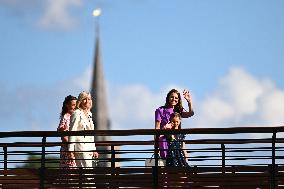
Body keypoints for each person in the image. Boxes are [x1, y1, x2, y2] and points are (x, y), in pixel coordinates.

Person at [155, 89, 194, 159]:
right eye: (172, 97)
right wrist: (164, 128)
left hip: (177, 138)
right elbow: (156, 129)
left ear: (178, 100)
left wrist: (189, 101)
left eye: (176, 98)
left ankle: (186, 167)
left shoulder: (178, 110)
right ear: (168, 98)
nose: (174, 99)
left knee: (183, 155)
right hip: (165, 139)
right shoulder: (160, 110)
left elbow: (190, 114)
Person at [68, 91, 99, 168]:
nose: (87, 101)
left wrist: (94, 149)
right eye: (84, 99)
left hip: (89, 149)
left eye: (88, 99)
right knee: (87, 174)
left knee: (88, 173)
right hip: (81, 147)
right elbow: (72, 132)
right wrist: (70, 150)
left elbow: (91, 134)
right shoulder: (77, 113)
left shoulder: (89, 114)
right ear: (80, 101)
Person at [57, 95, 77, 168]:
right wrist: (70, 146)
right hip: (67, 148)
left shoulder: (75, 117)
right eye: (73, 105)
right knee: (69, 169)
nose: (75, 107)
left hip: (73, 147)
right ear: (67, 105)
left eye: (76, 105)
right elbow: (63, 134)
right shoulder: (66, 117)